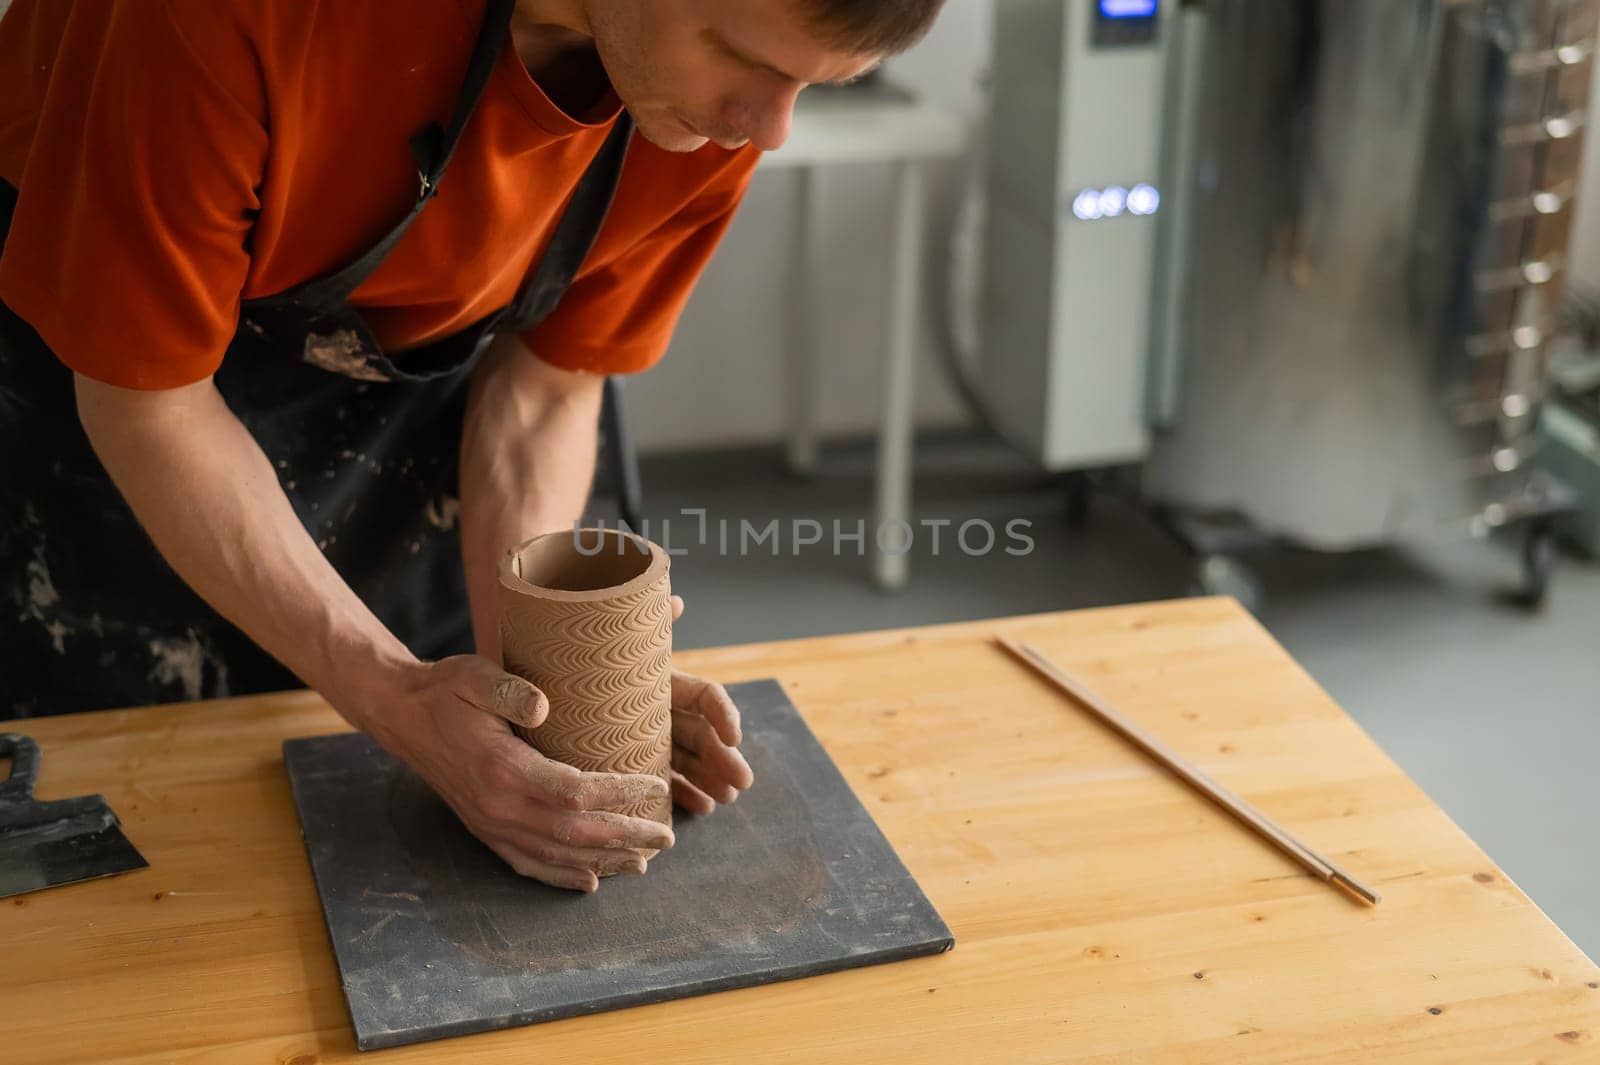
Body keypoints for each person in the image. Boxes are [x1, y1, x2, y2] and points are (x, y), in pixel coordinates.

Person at [0, 0, 945, 891]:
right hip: (106, 382)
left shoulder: (706, 105)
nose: (768, 127)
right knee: (149, 850)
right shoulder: (237, 15)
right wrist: (394, 696)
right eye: (743, 55)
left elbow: (544, 387)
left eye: (816, 86)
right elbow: (148, 405)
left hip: (418, 406)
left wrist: (551, 676)